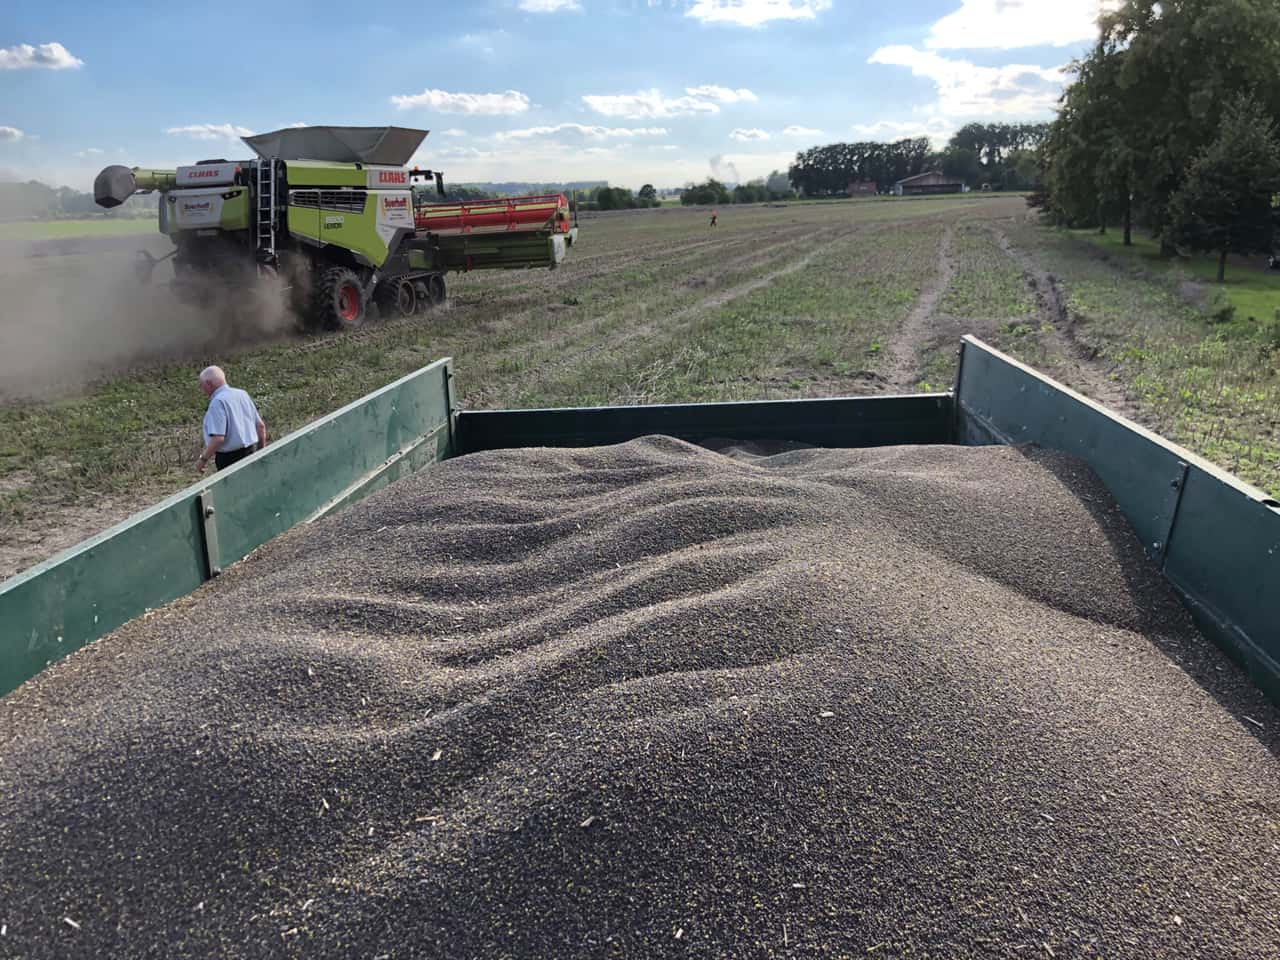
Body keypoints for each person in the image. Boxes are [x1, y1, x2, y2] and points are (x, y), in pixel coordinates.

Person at [196, 365, 268, 474]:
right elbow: (260, 426)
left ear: (209, 384)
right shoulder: (242, 394)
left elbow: (218, 438)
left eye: (202, 385)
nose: (202, 390)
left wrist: (203, 459)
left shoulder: (217, 402)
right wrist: (261, 452)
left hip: (229, 459)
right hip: (251, 452)